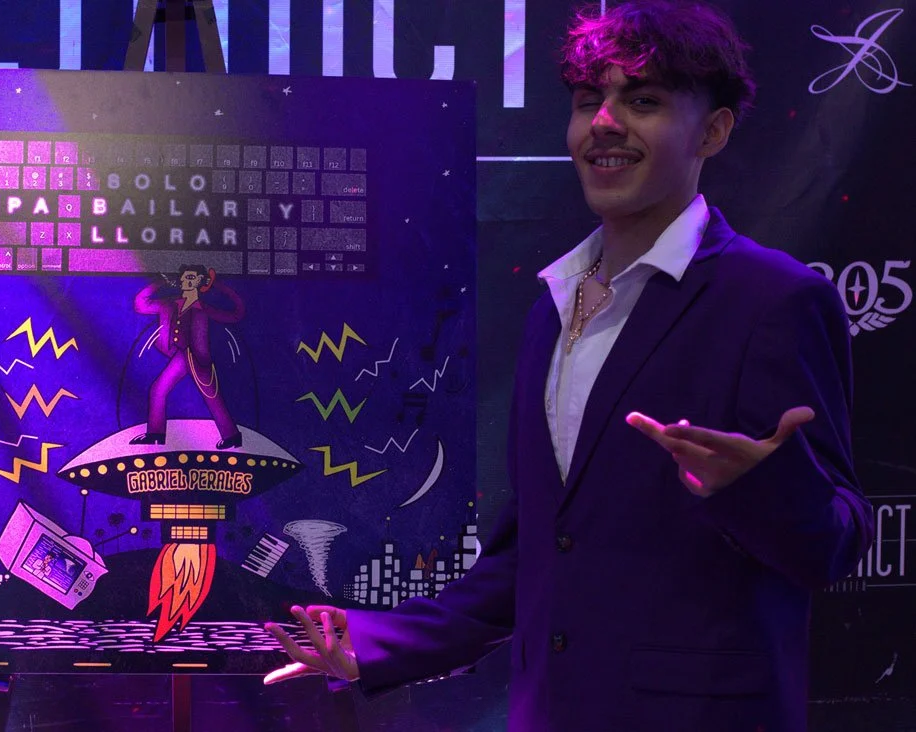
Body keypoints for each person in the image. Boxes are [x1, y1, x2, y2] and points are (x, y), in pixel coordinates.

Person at [263, 1, 874, 730]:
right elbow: (535, 558)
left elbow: (835, 543)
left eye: (643, 101)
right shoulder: (553, 307)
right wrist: (375, 643)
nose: (604, 123)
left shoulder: (774, 299)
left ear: (712, 131)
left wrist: (759, 487)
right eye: (589, 101)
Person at [131, 264, 244, 449]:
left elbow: (237, 314)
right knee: (160, 389)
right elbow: (140, 303)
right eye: (183, 277)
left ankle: (157, 434)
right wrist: (160, 282)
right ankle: (156, 434)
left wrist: (219, 286)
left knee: (211, 396)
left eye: (190, 277)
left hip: (197, 358)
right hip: (180, 356)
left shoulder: (204, 308)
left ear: (200, 281)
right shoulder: (169, 303)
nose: (185, 281)